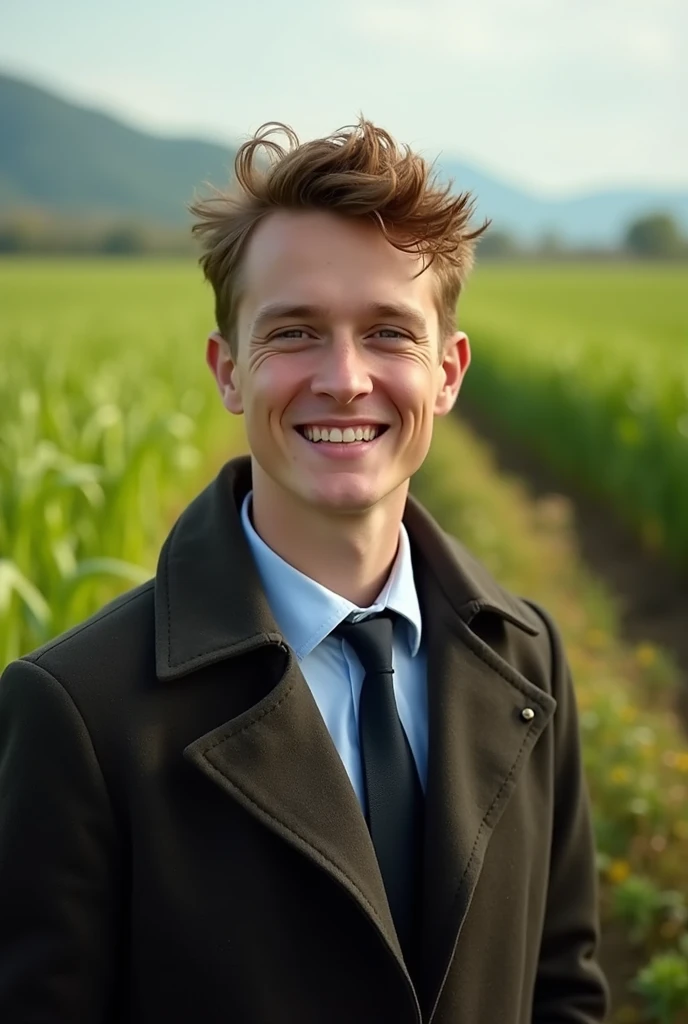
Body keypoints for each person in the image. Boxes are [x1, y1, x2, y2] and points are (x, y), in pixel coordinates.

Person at [0, 118, 609, 1024]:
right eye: (294, 332)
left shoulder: (527, 655)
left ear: (447, 372)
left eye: (389, 334)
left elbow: (562, 986)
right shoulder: (79, 711)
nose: (345, 378)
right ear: (229, 371)